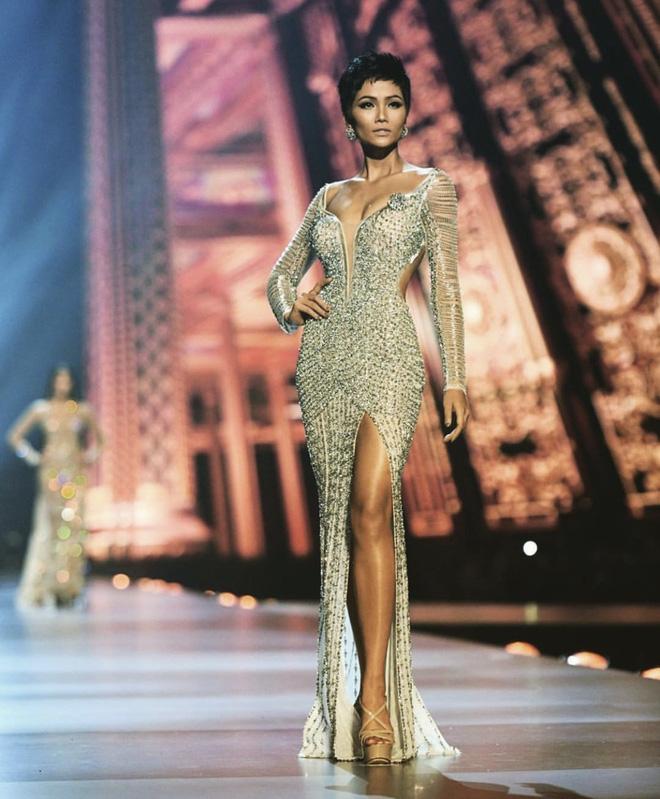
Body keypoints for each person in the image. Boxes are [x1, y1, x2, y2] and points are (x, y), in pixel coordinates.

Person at [266, 51, 469, 765]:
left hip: (390, 355)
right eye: (367, 104)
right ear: (349, 119)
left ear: (406, 113)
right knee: (345, 523)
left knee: (372, 506)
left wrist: (455, 378)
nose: (382, 115)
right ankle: (357, 691)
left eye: (393, 102)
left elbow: (445, 288)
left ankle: (376, 699)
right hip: (323, 363)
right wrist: (292, 304)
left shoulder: (431, 189)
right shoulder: (327, 196)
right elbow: (280, 276)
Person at [6, 364, 104, 610]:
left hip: (75, 473)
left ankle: (70, 588)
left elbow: (101, 441)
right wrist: (32, 456)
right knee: (51, 527)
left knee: (73, 527)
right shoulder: (42, 409)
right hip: (50, 474)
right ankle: (46, 587)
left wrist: (89, 456)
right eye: (59, 379)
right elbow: (14, 436)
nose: (63, 384)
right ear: (52, 382)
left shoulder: (81, 410)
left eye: (67, 380)